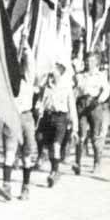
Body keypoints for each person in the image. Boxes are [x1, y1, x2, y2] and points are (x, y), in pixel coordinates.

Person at [0, 45, 37, 201]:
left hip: (26, 117)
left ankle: (25, 187)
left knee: (26, 154)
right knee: (9, 152)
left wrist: (25, 46)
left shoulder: (28, 79)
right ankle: (6, 186)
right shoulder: (7, 83)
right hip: (12, 116)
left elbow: (30, 63)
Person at [38, 57, 78, 186]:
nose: (51, 73)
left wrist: (75, 128)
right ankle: (54, 169)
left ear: (60, 73)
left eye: (54, 71)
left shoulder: (66, 88)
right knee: (50, 147)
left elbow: (72, 108)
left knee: (56, 146)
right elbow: (42, 102)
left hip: (61, 118)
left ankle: (54, 172)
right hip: (48, 117)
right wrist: (39, 109)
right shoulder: (47, 87)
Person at [73, 51, 110, 175]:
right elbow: (74, 90)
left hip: (95, 105)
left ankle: (97, 163)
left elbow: (106, 90)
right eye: (87, 61)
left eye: (92, 61)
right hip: (82, 104)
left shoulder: (100, 76)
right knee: (81, 135)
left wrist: (99, 100)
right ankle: (77, 163)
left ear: (97, 62)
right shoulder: (79, 76)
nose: (89, 63)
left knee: (95, 136)